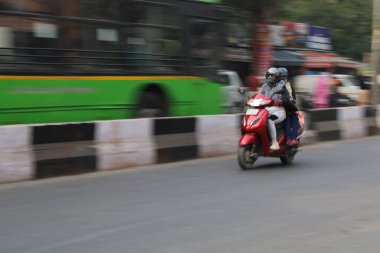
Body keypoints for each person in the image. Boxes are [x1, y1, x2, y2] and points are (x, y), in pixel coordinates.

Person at [258, 67, 290, 150]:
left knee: (270, 120)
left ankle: (274, 142)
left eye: (272, 76)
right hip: (266, 110)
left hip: (278, 111)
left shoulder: (282, 86)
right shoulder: (264, 86)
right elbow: (259, 96)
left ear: (277, 77)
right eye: (268, 76)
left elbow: (286, 98)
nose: (270, 78)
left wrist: (280, 101)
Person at [279, 67, 299, 147]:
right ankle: (291, 138)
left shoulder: (288, 85)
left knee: (292, 118)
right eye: (282, 76)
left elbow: (293, 97)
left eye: (284, 76)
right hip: (281, 106)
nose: (283, 78)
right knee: (290, 119)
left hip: (287, 105)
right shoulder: (279, 85)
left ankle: (291, 138)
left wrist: (292, 103)